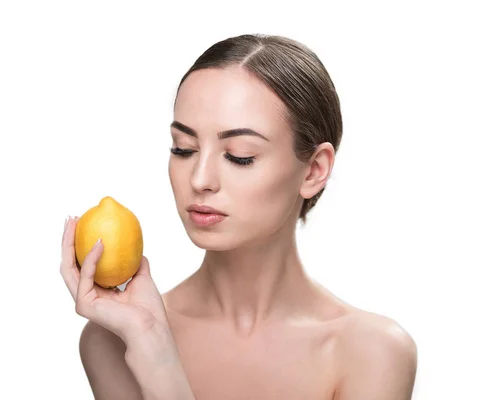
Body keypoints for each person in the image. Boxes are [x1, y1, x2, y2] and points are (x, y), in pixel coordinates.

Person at [60, 33, 418, 399]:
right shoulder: (115, 340)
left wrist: (163, 368)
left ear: (313, 170)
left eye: (240, 155)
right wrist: (152, 347)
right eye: (183, 149)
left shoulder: (372, 352)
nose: (199, 180)